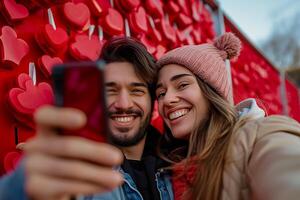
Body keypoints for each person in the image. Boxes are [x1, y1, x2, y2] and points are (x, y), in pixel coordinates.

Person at [0, 37, 173, 200]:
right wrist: (20, 188)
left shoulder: (178, 165)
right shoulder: (72, 169)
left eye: (136, 90)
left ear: (152, 100)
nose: (123, 104)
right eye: (110, 90)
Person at [155, 32, 300, 200]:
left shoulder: (260, 136)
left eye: (182, 85)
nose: (167, 100)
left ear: (212, 92)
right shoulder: (167, 170)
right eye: (161, 93)